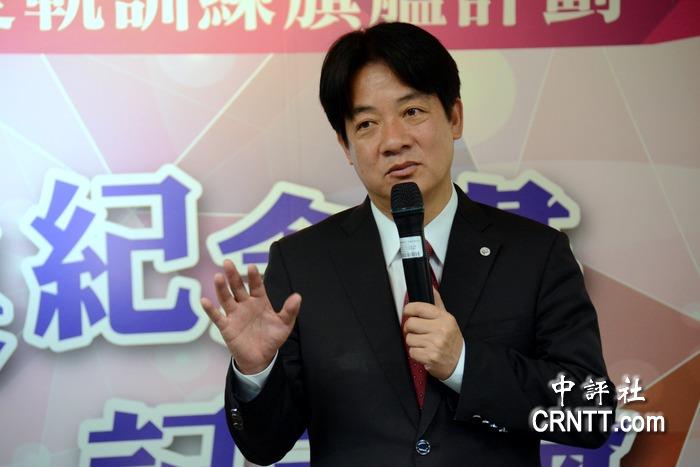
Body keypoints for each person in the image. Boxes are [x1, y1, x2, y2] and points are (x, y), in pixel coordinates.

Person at [202, 22, 615, 466]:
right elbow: (264, 446)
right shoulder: (302, 263)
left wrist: (464, 364)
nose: (394, 141)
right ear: (345, 145)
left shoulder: (535, 253)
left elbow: (589, 416)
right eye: (367, 124)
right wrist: (256, 371)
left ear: (454, 117)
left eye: (412, 112)